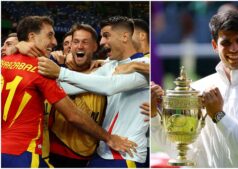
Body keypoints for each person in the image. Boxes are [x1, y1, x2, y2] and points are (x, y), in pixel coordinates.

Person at [151, 11, 238, 167]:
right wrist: (154, 114)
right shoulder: (196, 89)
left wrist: (219, 116)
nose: (234, 48)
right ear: (215, 45)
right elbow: (178, 150)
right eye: (226, 42)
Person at [1, 16, 136, 168]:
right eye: (49, 35)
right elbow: (72, 115)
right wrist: (109, 138)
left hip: (16, 150)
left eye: (85, 42)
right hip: (26, 152)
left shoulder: (5, 62)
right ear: (32, 36)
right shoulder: (45, 68)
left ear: (95, 47)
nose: (54, 41)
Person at [37, 16, 149, 168]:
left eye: (106, 36)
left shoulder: (145, 65)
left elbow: (110, 86)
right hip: (103, 152)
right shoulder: (109, 65)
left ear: (124, 36)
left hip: (126, 154)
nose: (102, 42)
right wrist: (38, 76)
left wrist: (60, 72)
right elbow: (74, 87)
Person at [47, 24, 106, 167]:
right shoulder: (55, 69)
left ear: (95, 47)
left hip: (91, 153)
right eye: (75, 42)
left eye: (85, 42)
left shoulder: (106, 71)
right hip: (57, 150)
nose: (79, 46)